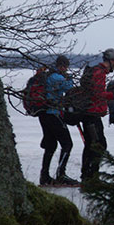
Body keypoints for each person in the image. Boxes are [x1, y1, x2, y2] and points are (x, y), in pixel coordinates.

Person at [80, 48, 114, 181]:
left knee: (91, 144)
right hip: (92, 114)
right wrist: (113, 94)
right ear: (112, 61)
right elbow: (97, 94)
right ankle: (91, 175)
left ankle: (88, 174)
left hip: (90, 113)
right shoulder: (99, 73)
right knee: (99, 145)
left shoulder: (96, 71)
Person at [39, 55, 78, 185]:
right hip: (53, 114)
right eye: (65, 67)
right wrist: (70, 78)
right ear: (61, 66)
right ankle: (61, 174)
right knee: (67, 144)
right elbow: (70, 88)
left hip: (44, 115)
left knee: (50, 145)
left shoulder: (48, 76)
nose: (66, 69)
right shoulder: (57, 77)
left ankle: (44, 176)